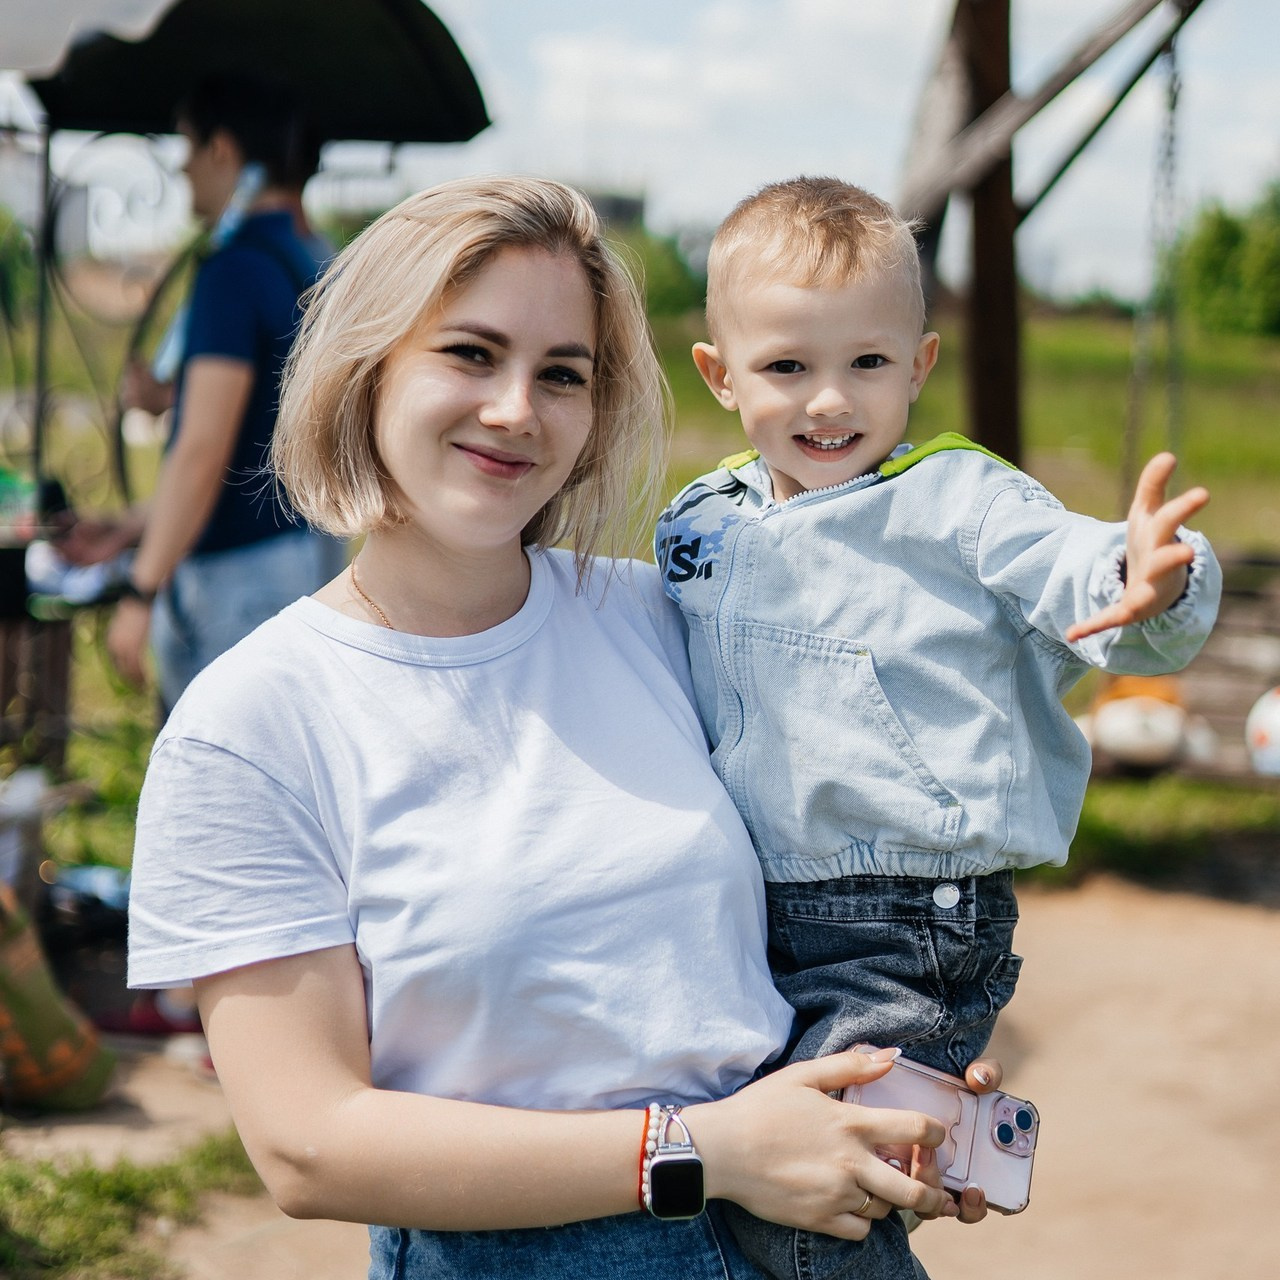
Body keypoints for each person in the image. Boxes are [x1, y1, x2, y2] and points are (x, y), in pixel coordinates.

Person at [126, 176, 1000, 1280]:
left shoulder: (666, 618)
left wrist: (893, 1065)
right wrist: (704, 1150)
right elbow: (308, 1142)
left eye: (560, 374)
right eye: (470, 354)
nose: (514, 410)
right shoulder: (251, 723)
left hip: (797, 1243)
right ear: (367, 365)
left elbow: (814, 901)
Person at [653, 176, 1221, 1278]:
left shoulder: (957, 502)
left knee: (817, 1188)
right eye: (786, 367)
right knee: (753, 1165)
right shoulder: (700, 521)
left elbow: (1074, 572)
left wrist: (1144, 572)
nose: (829, 402)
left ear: (916, 364)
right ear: (720, 375)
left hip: (902, 916)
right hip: (743, 908)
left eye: (866, 363)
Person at [58, 73, 343, 713]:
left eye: (188, 148)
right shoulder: (312, 262)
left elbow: (205, 448)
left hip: (234, 583)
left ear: (223, 150)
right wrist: (132, 527)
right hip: (299, 558)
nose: (183, 170)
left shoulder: (233, 271)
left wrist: (140, 589)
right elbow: (255, 445)